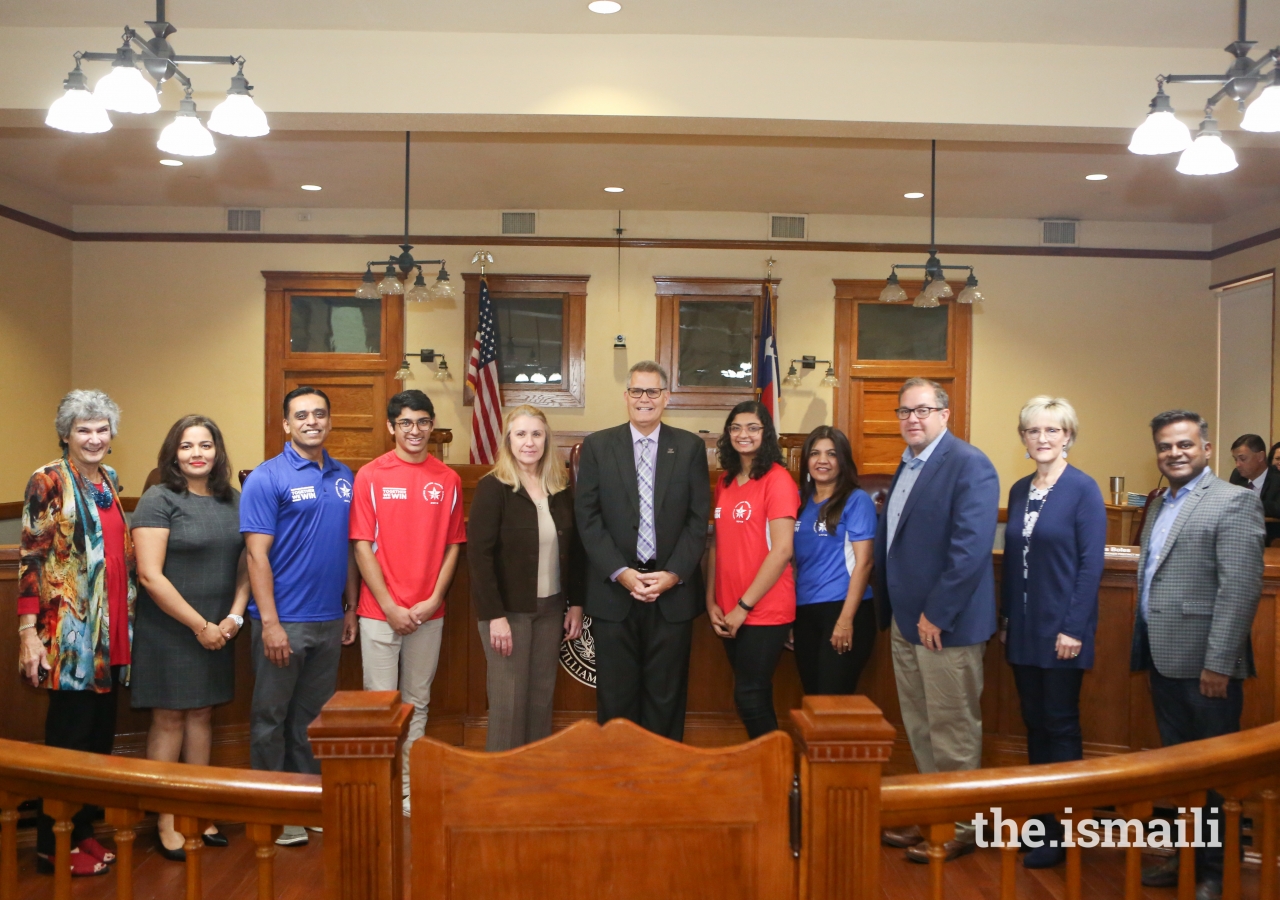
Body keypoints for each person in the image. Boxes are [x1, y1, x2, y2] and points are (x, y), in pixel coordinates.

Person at [1134, 410, 1265, 899]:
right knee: (1181, 771)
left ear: (1206, 449)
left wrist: (1219, 663)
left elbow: (1240, 589)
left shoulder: (1232, 502)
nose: (1175, 453)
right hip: (1162, 657)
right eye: (1166, 446)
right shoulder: (1158, 503)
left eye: (1185, 444)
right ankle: (1186, 856)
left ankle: (1215, 871)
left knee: (1213, 776)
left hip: (1207, 667)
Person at [874, 377, 999, 864]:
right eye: (905, 411)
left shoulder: (970, 465)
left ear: (945, 414)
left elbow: (969, 551)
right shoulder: (907, 464)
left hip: (945, 625)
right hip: (907, 623)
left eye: (923, 410)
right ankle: (933, 814)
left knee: (952, 726)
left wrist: (936, 614)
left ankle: (961, 823)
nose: (913, 419)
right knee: (921, 725)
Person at [17, 390, 133, 878]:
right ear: (66, 434)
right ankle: (51, 844)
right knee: (67, 744)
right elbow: (32, 560)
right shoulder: (47, 481)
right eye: (83, 429)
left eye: (101, 428)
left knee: (97, 744)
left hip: (112, 634)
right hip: (69, 637)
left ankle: (82, 832)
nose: (94, 437)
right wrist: (28, 632)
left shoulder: (109, 480)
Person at [240, 386, 359, 847]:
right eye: (301, 415)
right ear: (286, 424)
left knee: (312, 718)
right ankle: (272, 811)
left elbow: (348, 548)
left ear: (330, 422)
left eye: (320, 414)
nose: (312, 421)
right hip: (281, 620)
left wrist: (349, 607)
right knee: (271, 718)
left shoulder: (344, 476)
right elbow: (255, 556)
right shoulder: (267, 478)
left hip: (329, 620)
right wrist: (269, 622)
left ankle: (308, 802)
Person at [131, 415, 250, 859]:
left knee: (202, 715)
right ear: (173, 453)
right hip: (171, 630)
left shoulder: (233, 500)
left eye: (205, 445)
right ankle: (165, 816)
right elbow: (149, 574)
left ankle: (196, 808)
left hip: (219, 630)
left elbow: (248, 564)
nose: (197, 453)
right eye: (186, 446)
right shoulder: (158, 499)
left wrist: (232, 620)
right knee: (170, 718)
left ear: (217, 452)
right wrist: (200, 626)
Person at [575, 361, 711, 741]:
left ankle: (662, 783)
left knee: (665, 698)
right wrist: (621, 572)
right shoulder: (599, 447)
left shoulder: (689, 448)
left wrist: (672, 575)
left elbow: (697, 521)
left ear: (666, 397)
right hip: (614, 594)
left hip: (672, 594)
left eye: (652, 392)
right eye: (637, 391)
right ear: (626, 397)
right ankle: (619, 782)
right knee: (616, 700)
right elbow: (587, 518)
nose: (644, 399)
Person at [999, 397, 1106, 869]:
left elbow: (1090, 566)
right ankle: (1042, 824)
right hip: (1022, 629)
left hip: (1063, 631)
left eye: (1052, 430)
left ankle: (1066, 830)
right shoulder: (1021, 489)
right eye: (1033, 431)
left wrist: (1074, 627)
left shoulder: (1083, 489)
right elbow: (1012, 564)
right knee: (1034, 724)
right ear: (1023, 438)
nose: (1042, 439)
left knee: (1061, 725)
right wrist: (1005, 619)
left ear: (1068, 436)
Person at [350, 390, 464, 816]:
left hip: (429, 613)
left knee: (417, 701)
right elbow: (362, 546)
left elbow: (454, 546)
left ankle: (409, 789)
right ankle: (381, 787)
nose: (414, 430)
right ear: (390, 427)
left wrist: (433, 598)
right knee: (380, 706)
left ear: (432, 427)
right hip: (381, 613)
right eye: (405, 423)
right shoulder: (370, 476)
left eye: (422, 422)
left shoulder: (447, 479)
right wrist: (391, 605)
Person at [468, 405, 585, 751]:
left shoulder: (559, 487)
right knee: (509, 704)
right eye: (520, 434)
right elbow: (479, 557)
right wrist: (495, 617)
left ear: (547, 439)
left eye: (536, 434)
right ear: (508, 440)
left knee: (539, 700)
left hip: (551, 610)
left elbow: (574, 549)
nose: (529, 442)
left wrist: (575, 603)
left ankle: (533, 781)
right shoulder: (494, 487)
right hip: (509, 613)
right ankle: (501, 790)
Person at [706, 401, 799, 738]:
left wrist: (744, 607)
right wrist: (711, 601)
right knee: (751, 694)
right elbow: (716, 543)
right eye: (736, 428)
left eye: (752, 428)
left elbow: (783, 550)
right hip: (728, 609)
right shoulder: (726, 481)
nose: (743, 434)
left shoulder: (778, 480)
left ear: (766, 434)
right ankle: (770, 772)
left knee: (750, 695)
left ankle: (782, 778)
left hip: (764, 609)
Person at [791, 425, 877, 695]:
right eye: (815, 453)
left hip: (844, 609)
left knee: (833, 700)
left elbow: (864, 563)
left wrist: (845, 620)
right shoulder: (799, 502)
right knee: (813, 698)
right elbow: (792, 562)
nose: (822, 460)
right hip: (804, 611)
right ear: (806, 461)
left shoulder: (856, 500)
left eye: (831, 454)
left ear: (843, 460)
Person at [1228, 433, 1280, 542]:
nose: (1238, 464)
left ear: (1260, 457)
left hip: (1270, 541)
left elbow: (1277, 508)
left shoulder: (1277, 479)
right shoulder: (1237, 476)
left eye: (1242, 459)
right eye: (1235, 459)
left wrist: (1248, 502)